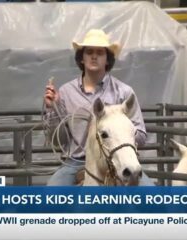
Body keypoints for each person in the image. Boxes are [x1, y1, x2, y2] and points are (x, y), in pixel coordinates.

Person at [44, 29, 154, 186]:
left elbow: (141, 134)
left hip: (118, 159)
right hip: (76, 162)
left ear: (107, 59)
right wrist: (52, 109)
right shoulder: (66, 93)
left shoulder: (124, 93)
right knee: (52, 194)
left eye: (100, 52)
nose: (94, 56)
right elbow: (59, 140)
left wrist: (118, 137)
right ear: (82, 58)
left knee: (151, 195)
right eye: (89, 52)